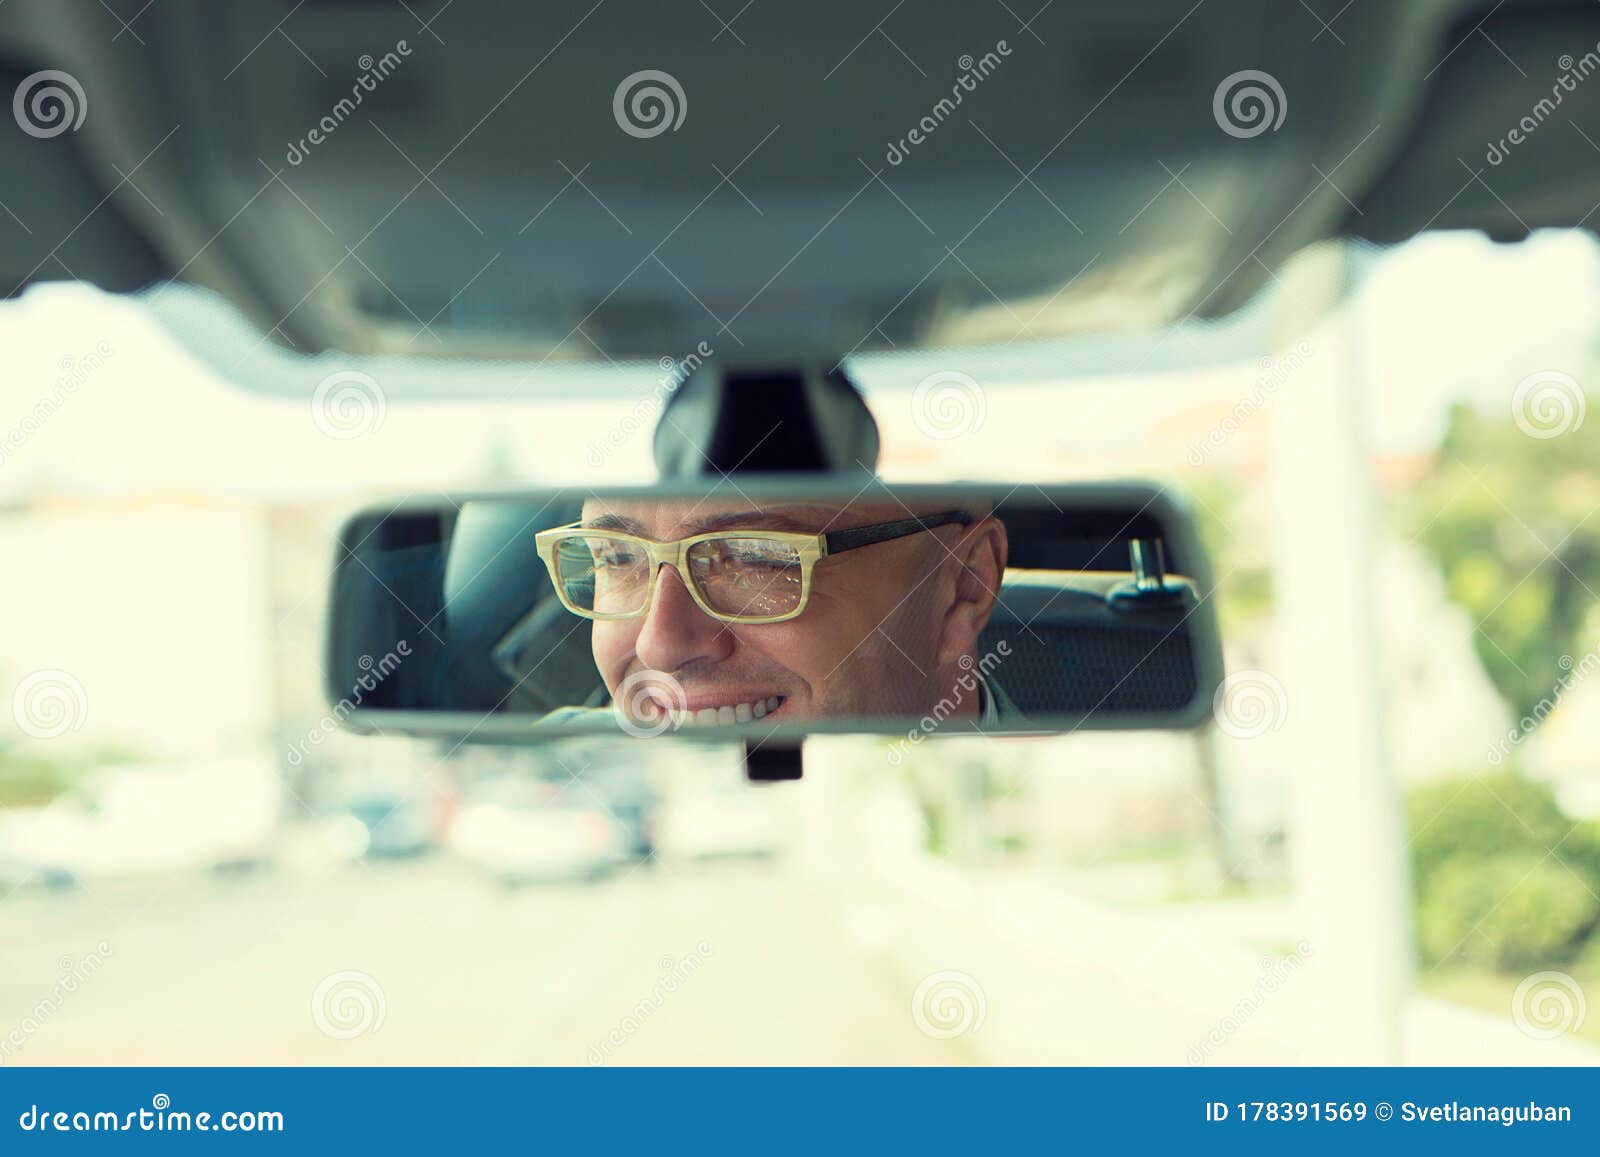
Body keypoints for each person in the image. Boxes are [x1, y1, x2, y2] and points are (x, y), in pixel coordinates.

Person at [534, 496, 1018, 727]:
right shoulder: (548, 774)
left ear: (963, 588)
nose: (658, 645)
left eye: (755, 556)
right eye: (618, 557)